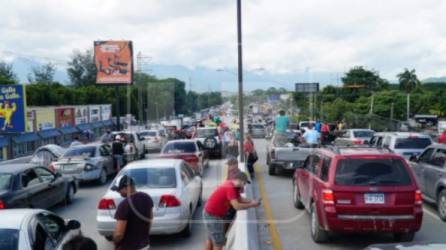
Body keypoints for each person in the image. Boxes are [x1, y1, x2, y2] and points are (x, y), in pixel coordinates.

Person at [204, 172, 260, 250]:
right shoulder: (230, 187)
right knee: (218, 242)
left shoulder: (233, 186)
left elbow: (240, 199)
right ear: (240, 180)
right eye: (244, 183)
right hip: (213, 215)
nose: (244, 185)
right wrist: (251, 205)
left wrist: (252, 201)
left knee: (211, 237)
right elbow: (236, 206)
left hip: (210, 213)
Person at [112, 175, 153, 250]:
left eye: (118, 190)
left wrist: (115, 244)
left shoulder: (124, 205)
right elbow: (150, 219)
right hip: (145, 245)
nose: (118, 192)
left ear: (126, 188)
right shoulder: (147, 197)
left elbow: (119, 235)